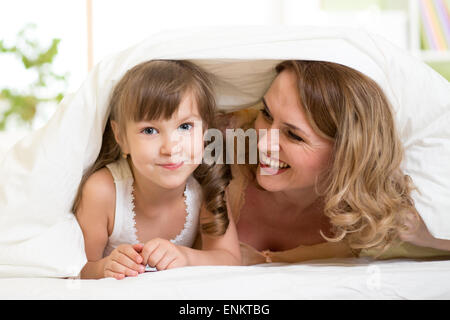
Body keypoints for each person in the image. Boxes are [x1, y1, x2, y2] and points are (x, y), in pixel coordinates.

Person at [224, 60, 450, 265]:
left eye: (294, 136)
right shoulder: (219, 149)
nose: (262, 144)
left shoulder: (374, 219)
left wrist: (425, 236)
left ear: (346, 153)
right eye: (267, 114)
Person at [73, 60, 241, 279]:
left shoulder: (208, 185)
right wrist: (103, 267)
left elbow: (230, 259)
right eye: (150, 130)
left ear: (205, 132)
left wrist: (186, 257)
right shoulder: (103, 191)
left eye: (185, 127)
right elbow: (76, 269)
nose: (170, 148)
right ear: (121, 137)